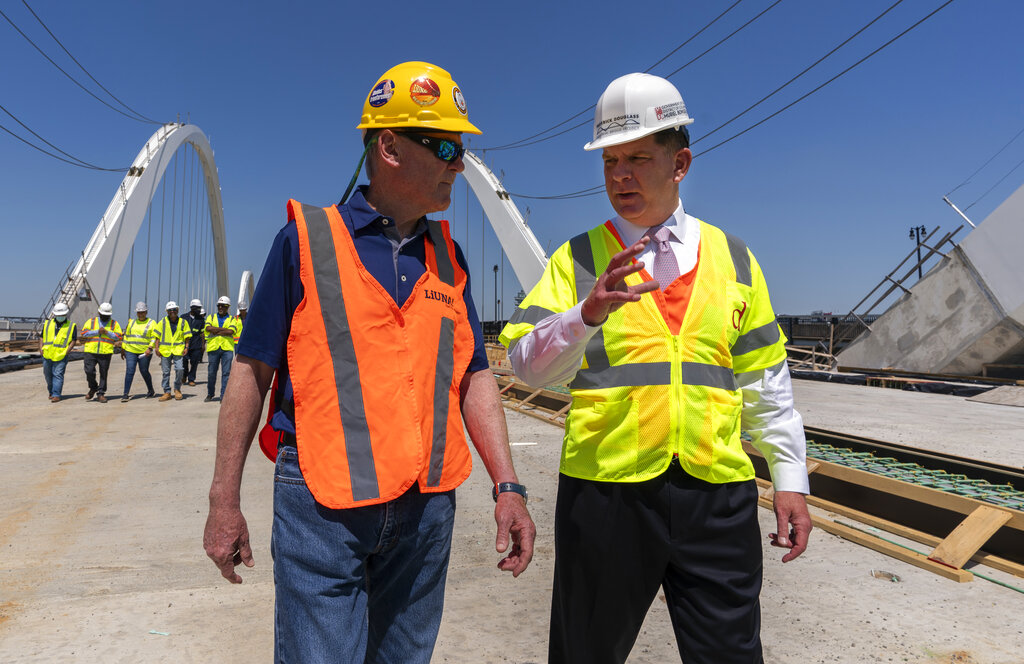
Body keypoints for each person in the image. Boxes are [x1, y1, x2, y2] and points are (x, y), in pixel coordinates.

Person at [203, 61, 536, 664]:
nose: (459, 164)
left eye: (460, 149)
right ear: (388, 147)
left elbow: (474, 374)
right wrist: (224, 502)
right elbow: (250, 373)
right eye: (444, 146)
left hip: (426, 507)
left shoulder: (448, 256)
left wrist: (507, 485)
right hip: (322, 510)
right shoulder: (305, 243)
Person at [500, 73, 811, 664]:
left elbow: (768, 386)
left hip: (717, 495)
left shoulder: (736, 261)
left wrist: (790, 480)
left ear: (681, 163)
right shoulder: (576, 260)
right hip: (607, 495)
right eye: (611, 160)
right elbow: (526, 367)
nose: (620, 175)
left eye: (639, 158)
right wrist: (584, 315)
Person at [80, 301, 123, 403]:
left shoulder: (114, 324)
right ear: (99, 313)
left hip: (105, 352)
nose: (105, 316)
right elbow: (84, 333)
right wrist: (97, 331)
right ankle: (93, 387)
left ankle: (101, 393)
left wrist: (107, 332)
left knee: (103, 373)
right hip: (91, 351)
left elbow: (118, 336)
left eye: (107, 315)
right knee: (89, 371)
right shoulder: (91, 321)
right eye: (103, 315)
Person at [203, 295, 242, 402]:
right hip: (213, 348)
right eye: (219, 305)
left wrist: (215, 330)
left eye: (223, 306)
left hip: (227, 349)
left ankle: (223, 395)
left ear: (228, 307)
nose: (221, 308)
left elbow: (231, 331)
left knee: (226, 373)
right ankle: (210, 394)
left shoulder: (232, 319)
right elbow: (208, 328)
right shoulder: (210, 317)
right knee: (211, 373)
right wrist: (223, 330)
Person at [39, 302, 77, 403]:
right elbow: (42, 337)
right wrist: (40, 348)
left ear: (66, 314)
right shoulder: (47, 324)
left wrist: (67, 351)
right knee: (48, 375)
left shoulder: (71, 326)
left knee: (58, 374)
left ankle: (56, 394)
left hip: (61, 355)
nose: (60, 317)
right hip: (47, 354)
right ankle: (51, 392)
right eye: (58, 315)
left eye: (62, 315)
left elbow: (73, 340)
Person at [155, 301, 192, 401]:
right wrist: (156, 348)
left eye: (174, 309)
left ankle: (177, 389)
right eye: (170, 310)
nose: (172, 311)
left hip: (178, 350)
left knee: (180, 369)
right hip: (165, 351)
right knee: (165, 372)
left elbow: (187, 337)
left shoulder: (183, 322)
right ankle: (167, 392)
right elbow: (157, 336)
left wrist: (186, 347)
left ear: (177, 310)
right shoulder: (162, 322)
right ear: (167, 311)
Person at [120, 301, 158, 401]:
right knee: (130, 370)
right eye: (139, 312)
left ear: (146, 312)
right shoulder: (131, 322)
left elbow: (154, 337)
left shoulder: (152, 323)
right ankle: (125, 393)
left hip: (144, 352)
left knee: (144, 371)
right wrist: (123, 348)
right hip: (130, 350)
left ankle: (150, 390)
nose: (140, 314)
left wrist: (150, 348)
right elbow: (126, 336)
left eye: (142, 312)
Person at [181, 299, 206, 386]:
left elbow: (202, 333)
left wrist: (203, 345)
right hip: (185, 343)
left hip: (196, 343)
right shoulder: (183, 317)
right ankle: (184, 374)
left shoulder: (201, 319)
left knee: (194, 362)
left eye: (199, 308)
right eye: (197, 308)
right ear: (191, 308)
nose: (198, 310)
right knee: (184, 361)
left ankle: (191, 379)